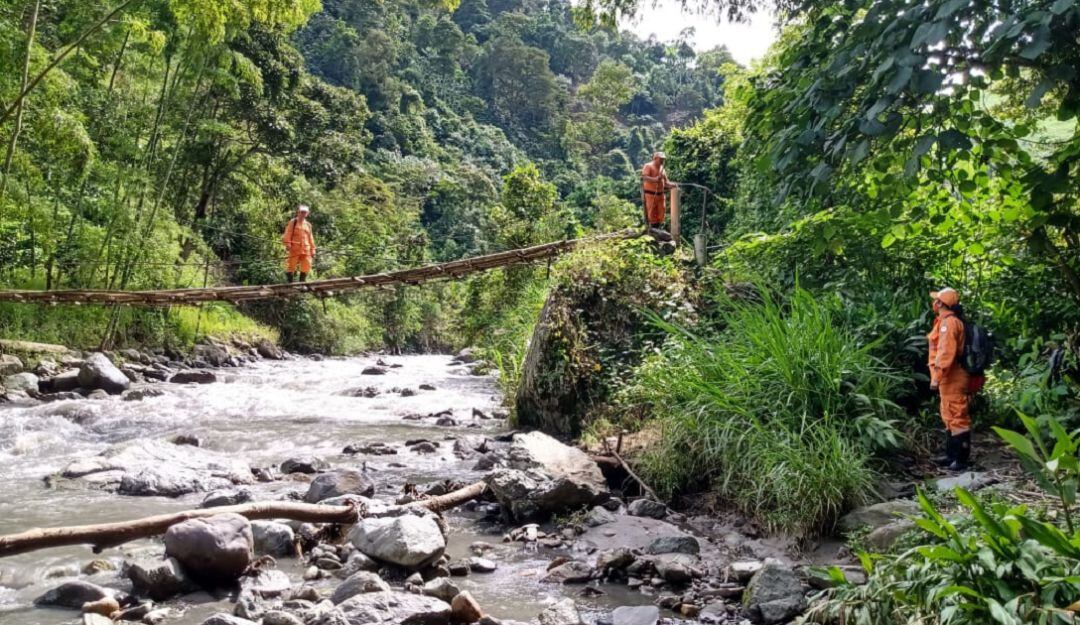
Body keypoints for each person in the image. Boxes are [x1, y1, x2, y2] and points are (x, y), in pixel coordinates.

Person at [928, 287, 971, 471]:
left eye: (936, 300)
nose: (934, 303)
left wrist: (936, 377)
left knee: (957, 416)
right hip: (949, 378)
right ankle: (951, 456)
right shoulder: (943, 322)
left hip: (953, 377)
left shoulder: (949, 324)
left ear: (940, 303)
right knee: (949, 415)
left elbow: (946, 353)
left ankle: (961, 460)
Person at [641, 152, 677, 234]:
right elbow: (644, 177)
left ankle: (658, 230)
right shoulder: (648, 166)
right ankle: (653, 231)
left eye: (663, 159)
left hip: (660, 195)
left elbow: (666, 182)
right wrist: (655, 179)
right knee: (651, 213)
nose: (662, 160)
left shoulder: (662, 169)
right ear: (655, 158)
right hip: (650, 194)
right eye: (661, 159)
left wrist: (673, 185)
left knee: (661, 213)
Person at [282, 204, 316, 283]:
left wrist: (313, 250)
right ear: (298, 212)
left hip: (306, 250)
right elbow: (287, 234)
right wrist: (288, 244)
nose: (303, 214)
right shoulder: (293, 222)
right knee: (290, 266)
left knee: (306, 265)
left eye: (305, 212)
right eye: (302, 212)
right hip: (294, 249)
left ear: (307, 213)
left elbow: (311, 238)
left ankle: (302, 284)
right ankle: (290, 284)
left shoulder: (308, 225)